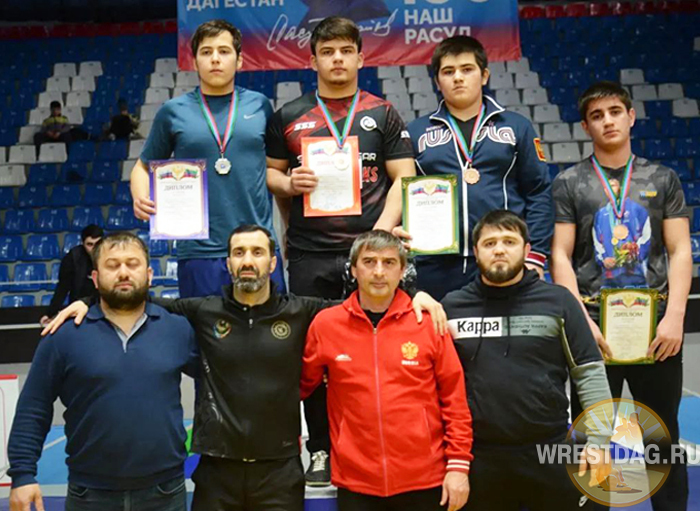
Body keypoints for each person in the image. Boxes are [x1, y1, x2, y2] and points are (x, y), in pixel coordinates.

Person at [45, 225, 445, 511]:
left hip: (280, 470)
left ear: (272, 262)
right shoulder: (202, 311)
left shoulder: (305, 312)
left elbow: (367, 302)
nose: (248, 261)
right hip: (216, 471)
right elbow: (131, 298)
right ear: (228, 263)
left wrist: (414, 295)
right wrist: (86, 300)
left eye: (256, 252)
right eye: (239, 253)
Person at [266, 16, 416, 485]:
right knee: (314, 357)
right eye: (327, 52)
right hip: (309, 254)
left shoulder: (383, 113)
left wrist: (379, 237)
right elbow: (270, 175)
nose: (337, 60)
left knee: (377, 353)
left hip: (370, 258)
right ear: (312, 60)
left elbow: (405, 178)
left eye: (345, 51)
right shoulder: (288, 115)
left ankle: (375, 443)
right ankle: (320, 450)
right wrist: (289, 182)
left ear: (360, 57)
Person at [551, 81, 691, 511]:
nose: (607, 121)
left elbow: (680, 249)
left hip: (656, 329)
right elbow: (560, 254)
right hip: (594, 330)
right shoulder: (569, 182)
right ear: (585, 126)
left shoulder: (662, 178)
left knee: (661, 434)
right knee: (595, 437)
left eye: (615, 112)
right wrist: (580, 322)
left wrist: (675, 316)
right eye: (597, 115)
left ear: (631, 117)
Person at [8, 232, 198, 511]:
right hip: (90, 494)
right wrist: (23, 474)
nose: (123, 272)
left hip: (165, 492)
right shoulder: (64, 335)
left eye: (132, 264)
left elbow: (219, 383)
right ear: (95, 278)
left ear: (149, 275)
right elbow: (34, 406)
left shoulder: (178, 330)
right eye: (113, 265)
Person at [441, 210, 613, 511]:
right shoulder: (452, 307)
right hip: (480, 455)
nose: (499, 250)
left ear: (527, 250)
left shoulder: (559, 302)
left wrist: (599, 442)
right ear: (476, 252)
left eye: (509, 241)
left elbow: (589, 374)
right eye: (489, 243)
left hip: (550, 448)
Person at [301, 230, 473, 511]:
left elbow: (454, 399)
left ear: (402, 270)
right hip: (356, 481)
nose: (379, 272)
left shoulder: (428, 323)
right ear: (353, 269)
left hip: (424, 480)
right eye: (369, 262)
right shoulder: (326, 325)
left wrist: (458, 465)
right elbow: (300, 387)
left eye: (389, 262)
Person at [131, 19, 284, 298]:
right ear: (195, 61)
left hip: (257, 247)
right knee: (204, 328)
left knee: (268, 327)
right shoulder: (173, 111)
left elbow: (276, 168)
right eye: (206, 52)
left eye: (224, 51)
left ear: (239, 60)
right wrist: (140, 196)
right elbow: (142, 167)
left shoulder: (260, 105)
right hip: (199, 251)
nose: (215, 59)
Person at [399, 36, 553, 301]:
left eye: (467, 69)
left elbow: (538, 192)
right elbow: (399, 194)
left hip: (502, 259)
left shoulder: (516, 127)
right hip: (435, 265)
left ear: (484, 76)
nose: (458, 78)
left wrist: (535, 255)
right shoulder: (416, 132)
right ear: (437, 81)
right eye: (448, 72)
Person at [40, 224, 103, 326]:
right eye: (90, 244)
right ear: (83, 243)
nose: (94, 248)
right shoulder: (72, 258)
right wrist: (50, 313)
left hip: (105, 308)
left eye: (97, 244)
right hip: (78, 307)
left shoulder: (111, 257)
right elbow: (63, 288)